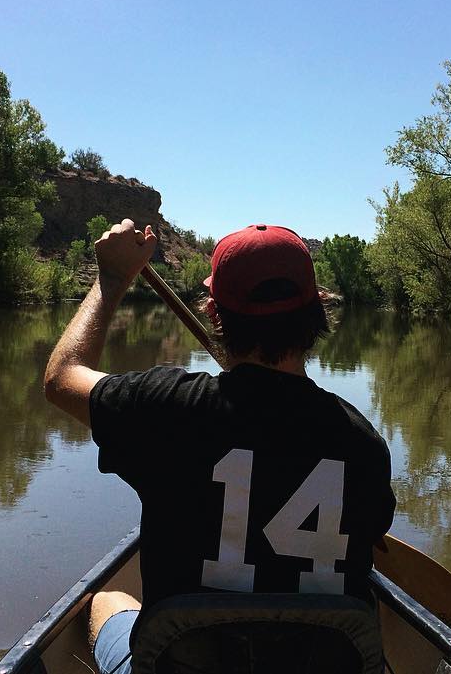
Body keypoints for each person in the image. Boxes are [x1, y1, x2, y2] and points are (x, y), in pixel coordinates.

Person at [44, 219, 396, 674]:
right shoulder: (363, 443)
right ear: (319, 309)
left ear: (213, 313)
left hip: (182, 661)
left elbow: (61, 377)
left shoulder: (165, 409)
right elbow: (372, 531)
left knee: (106, 600)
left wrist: (111, 280)